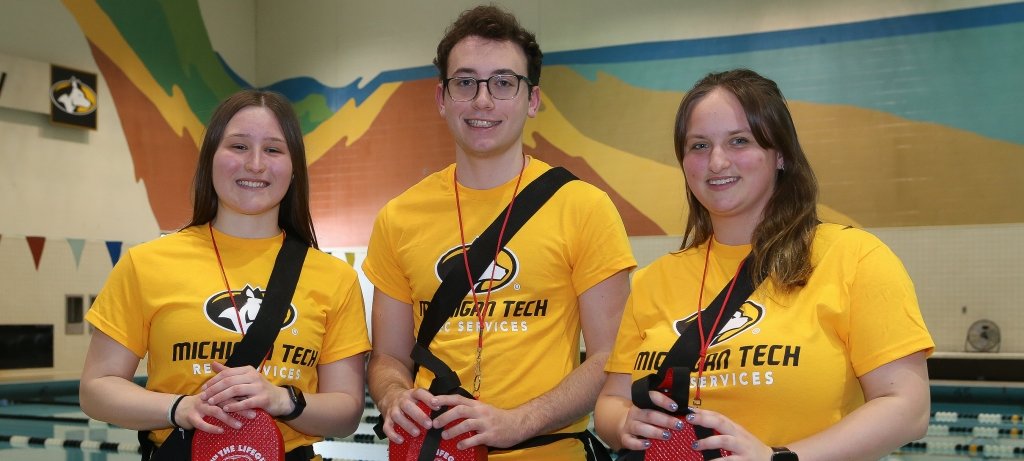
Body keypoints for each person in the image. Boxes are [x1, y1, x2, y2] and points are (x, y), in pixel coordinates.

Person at [594, 69, 934, 460]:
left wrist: (780, 458)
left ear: (781, 155)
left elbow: (907, 408)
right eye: (699, 146)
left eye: (740, 141)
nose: (717, 162)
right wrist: (623, 424)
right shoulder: (655, 279)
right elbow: (611, 402)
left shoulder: (853, 258)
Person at [363, 5, 636, 460]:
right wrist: (393, 395)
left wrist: (515, 422)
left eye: (504, 83)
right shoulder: (398, 217)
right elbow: (389, 357)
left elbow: (611, 357)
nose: (483, 100)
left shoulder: (584, 207)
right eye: (465, 82)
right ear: (442, 98)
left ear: (532, 100)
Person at [80, 89, 370, 461]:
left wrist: (282, 399)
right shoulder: (147, 263)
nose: (255, 164)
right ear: (210, 159)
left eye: (273, 150)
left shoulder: (334, 277)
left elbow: (346, 411)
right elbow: (96, 388)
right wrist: (179, 409)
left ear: (294, 167)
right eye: (238, 146)